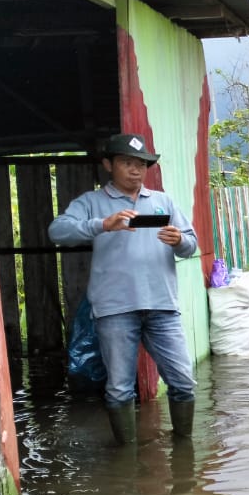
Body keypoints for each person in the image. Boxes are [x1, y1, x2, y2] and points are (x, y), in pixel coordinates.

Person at [48, 133, 199, 444]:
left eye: (141, 164)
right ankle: (126, 458)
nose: (136, 170)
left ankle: (184, 450)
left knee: (183, 382)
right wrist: (103, 224)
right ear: (108, 165)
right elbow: (57, 231)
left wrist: (180, 241)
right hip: (115, 310)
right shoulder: (92, 203)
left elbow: (191, 245)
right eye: (127, 163)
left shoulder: (163, 202)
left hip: (163, 308)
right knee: (119, 388)